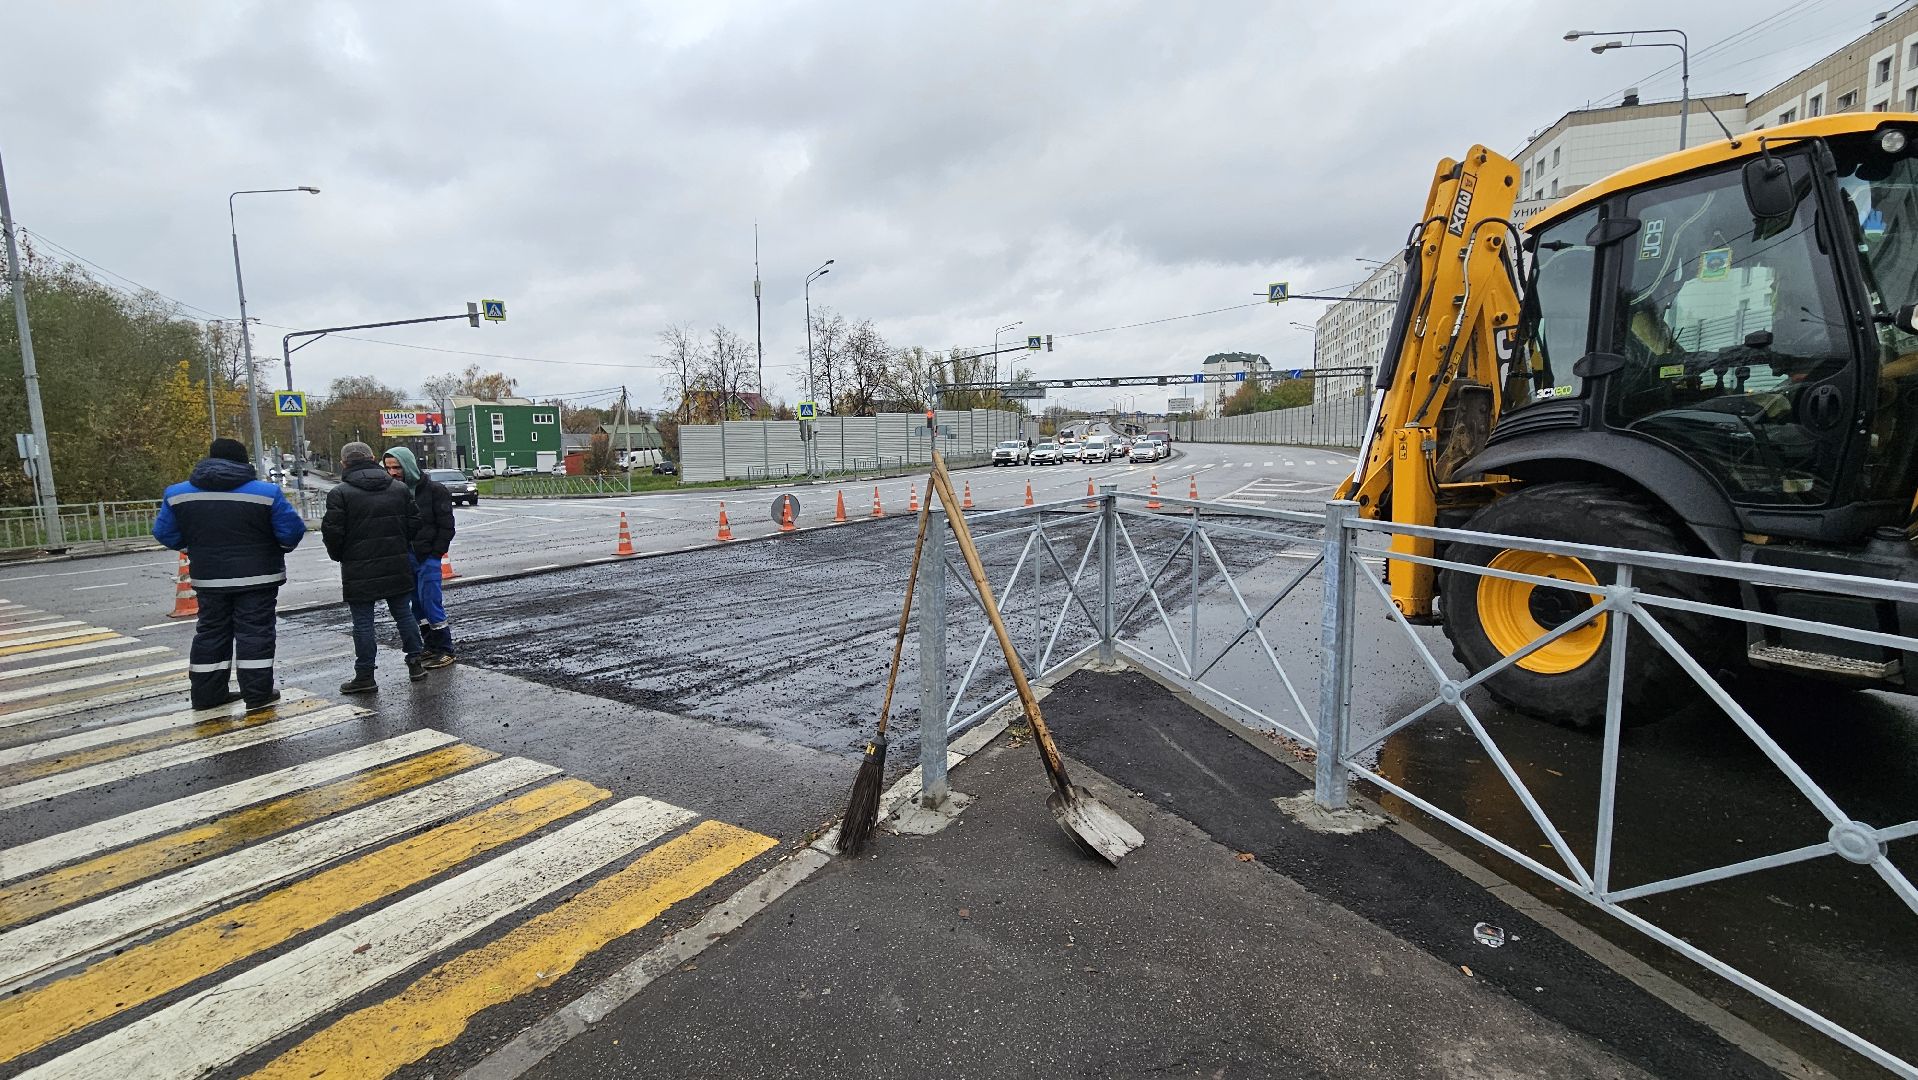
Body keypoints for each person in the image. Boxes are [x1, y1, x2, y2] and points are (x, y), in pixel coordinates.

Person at [152, 438, 306, 711]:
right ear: (242, 461)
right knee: (255, 634)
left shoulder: (178, 494)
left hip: (208, 578)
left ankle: (207, 696)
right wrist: (274, 550)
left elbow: (165, 533)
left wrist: (194, 549)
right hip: (258, 578)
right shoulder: (265, 493)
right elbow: (290, 531)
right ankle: (257, 695)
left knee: (210, 633)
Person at [321, 442, 427, 692]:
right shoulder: (399, 489)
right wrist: (400, 544)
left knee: (363, 623)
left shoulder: (340, 493)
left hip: (358, 568)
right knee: (404, 614)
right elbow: (415, 522)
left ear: (343, 463)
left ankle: (365, 675)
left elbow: (332, 532)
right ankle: (416, 664)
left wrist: (340, 555)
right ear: (372, 459)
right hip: (396, 562)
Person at [382, 446, 457, 668]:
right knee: (417, 606)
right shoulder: (393, 491)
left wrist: (435, 554)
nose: (393, 472)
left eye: (396, 467)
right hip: (406, 556)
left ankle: (445, 649)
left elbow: (446, 526)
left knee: (431, 602)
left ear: (408, 465)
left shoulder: (435, 490)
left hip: (428, 557)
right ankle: (430, 646)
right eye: (388, 468)